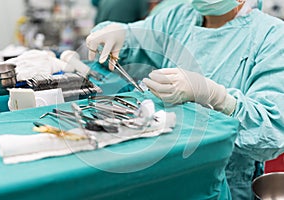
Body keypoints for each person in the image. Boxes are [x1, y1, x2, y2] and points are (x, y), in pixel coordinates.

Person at [86, 0, 284, 199]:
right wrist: (117, 34)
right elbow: (136, 37)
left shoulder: (271, 35)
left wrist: (216, 96)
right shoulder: (179, 17)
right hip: (162, 167)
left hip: (224, 181)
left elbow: (272, 129)